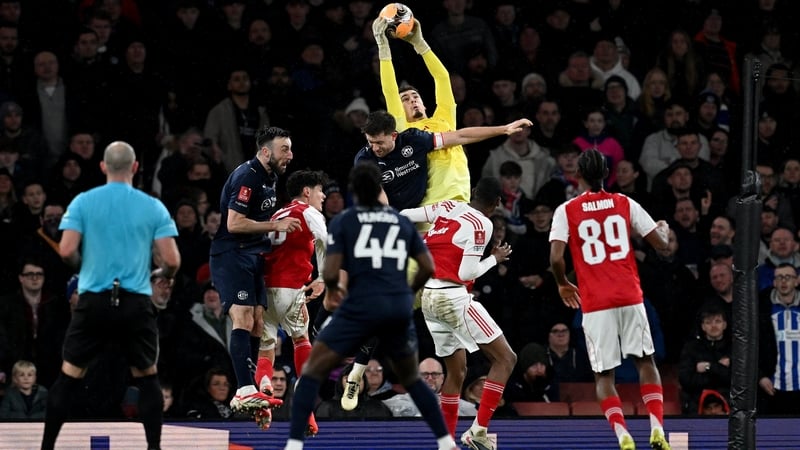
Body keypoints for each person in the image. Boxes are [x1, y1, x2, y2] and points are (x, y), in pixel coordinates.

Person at [283, 162, 458, 450]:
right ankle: (444, 440)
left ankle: (293, 444)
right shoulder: (401, 222)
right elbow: (427, 266)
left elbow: (329, 271)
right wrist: (407, 292)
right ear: (379, 189)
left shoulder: (345, 221)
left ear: (353, 191)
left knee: (312, 370)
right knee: (412, 378)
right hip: (396, 308)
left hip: (360, 306)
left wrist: (335, 292)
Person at [40, 141, 181, 450]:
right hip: (135, 302)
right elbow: (171, 260)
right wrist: (162, 276)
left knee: (69, 376)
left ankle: (46, 447)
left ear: (103, 167)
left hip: (93, 300)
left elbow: (65, 251)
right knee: (147, 379)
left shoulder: (82, 202)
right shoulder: (152, 205)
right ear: (134, 168)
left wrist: (84, 265)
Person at [549, 149, 672, 450]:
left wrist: (563, 284)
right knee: (645, 361)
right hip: (629, 295)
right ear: (607, 174)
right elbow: (662, 247)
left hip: (595, 303)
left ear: (577, 175)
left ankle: (623, 435)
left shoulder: (567, 210)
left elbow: (555, 257)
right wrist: (664, 230)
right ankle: (657, 428)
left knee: (604, 375)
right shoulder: (624, 202)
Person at [400, 177, 516, 450]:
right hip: (453, 297)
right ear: (497, 203)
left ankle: (446, 442)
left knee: (457, 371)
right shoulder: (482, 224)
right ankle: (478, 430)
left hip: (428, 297)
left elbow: (405, 215)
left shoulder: (448, 206)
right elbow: (465, 274)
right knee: (506, 359)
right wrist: (494, 259)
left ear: (473, 192)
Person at [209, 126, 300, 415]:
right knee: (244, 317)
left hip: (253, 255)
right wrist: (275, 226)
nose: (290, 154)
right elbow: (234, 223)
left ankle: (259, 390)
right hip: (232, 255)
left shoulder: (269, 176)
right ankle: (244, 389)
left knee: (260, 323)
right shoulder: (247, 176)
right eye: (284, 149)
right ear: (265, 151)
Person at [253, 169, 327, 434]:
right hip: (291, 288)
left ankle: (264, 388)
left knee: (266, 350)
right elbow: (326, 241)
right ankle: (306, 413)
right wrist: (324, 278)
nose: (324, 196)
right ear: (307, 191)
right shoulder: (308, 212)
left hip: (264, 289)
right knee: (301, 340)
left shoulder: (276, 215)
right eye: (320, 190)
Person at [354, 110, 532, 210]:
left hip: (423, 211)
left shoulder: (415, 140)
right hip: (390, 215)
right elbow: (377, 195)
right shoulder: (365, 158)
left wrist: (504, 129)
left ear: (393, 135)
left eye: (379, 142)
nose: (375, 148)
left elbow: (460, 136)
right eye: (370, 142)